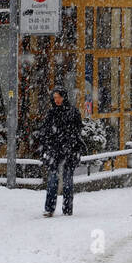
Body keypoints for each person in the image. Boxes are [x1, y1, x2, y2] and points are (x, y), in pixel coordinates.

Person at [39, 87, 83, 217]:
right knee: (52, 180)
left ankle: (67, 208)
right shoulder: (51, 113)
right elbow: (45, 133)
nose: (57, 100)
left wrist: (71, 147)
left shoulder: (73, 112)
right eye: (55, 98)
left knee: (68, 181)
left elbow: (77, 132)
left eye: (59, 97)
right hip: (55, 152)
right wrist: (48, 147)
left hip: (68, 152)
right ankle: (49, 208)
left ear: (64, 97)